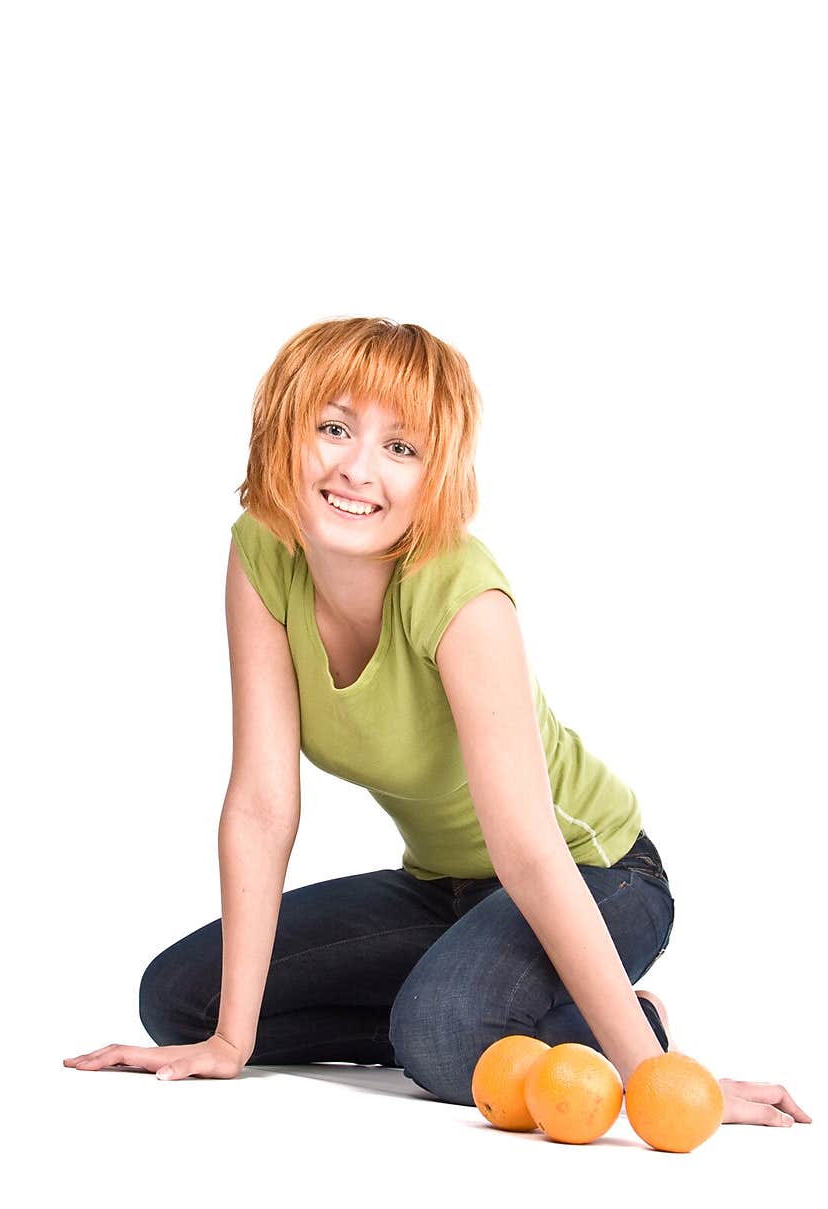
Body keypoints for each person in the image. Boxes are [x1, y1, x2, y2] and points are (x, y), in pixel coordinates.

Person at [64, 316, 810, 1129]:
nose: (357, 468)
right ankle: (484, 997)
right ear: (287, 430)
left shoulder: (460, 593)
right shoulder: (263, 552)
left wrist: (656, 1073)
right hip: (443, 887)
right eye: (335, 427)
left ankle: (616, 1016)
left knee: (449, 1041)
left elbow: (528, 849)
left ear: (434, 475)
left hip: (596, 873)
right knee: (181, 999)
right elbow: (262, 802)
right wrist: (231, 1039)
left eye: (400, 447)